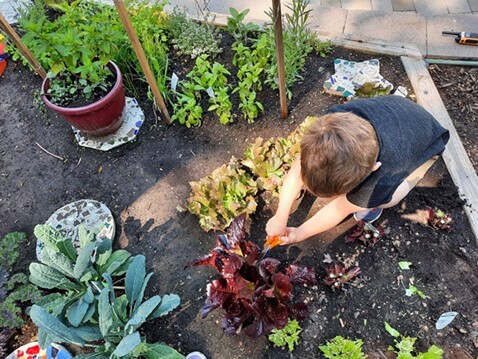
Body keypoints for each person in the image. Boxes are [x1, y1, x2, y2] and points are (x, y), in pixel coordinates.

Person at [266, 95, 450, 244]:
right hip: (398, 110)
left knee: (388, 198)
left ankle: (375, 204)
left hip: (430, 141)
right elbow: (300, 164)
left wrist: (299, 233)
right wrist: (280, 217)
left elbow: (340, 208)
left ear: (373, 169)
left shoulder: (383, 174)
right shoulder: (331, 125)